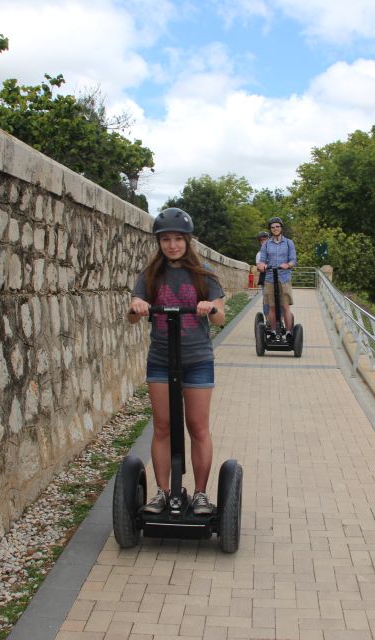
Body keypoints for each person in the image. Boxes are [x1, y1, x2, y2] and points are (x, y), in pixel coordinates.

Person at [127, 207, 226, 515]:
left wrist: (209, 306)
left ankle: (198, 494)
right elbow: (131, 315)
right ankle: (163, 492)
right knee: (162, 427)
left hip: (197, 359)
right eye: (166, 240)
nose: (172, 245)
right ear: (159, 242)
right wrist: (138, 305)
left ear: (187, 241)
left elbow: (221, 318)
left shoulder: (204, 274)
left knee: (197, 427)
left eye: (178, 239)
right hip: (160, 360)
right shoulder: (149, 276)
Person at [257, 216, 296, 339]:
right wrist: (261, 265)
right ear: (270, 229)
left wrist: (288, 265)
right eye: (272, 227)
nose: (275, 229)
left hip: (284, 278)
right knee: (272, 307)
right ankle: (273, 331)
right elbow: (262, 260)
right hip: (269, 278)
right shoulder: (266, 245)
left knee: (285, 307)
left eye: (277, 226)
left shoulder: (289, 243)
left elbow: (293, 260)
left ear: (281, 228)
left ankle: (289, 332)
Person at [254, 230, 270, 319]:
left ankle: (280, 319)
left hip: (277, 277)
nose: (263, 242)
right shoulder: (259, 254)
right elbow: (260, 267)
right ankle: (267, 319)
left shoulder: (275, 252)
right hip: (265, 278)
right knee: (266, 298)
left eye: (265, 239)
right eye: (261, 240)